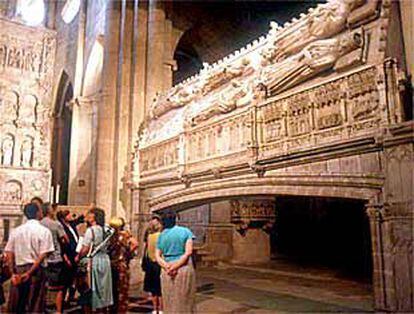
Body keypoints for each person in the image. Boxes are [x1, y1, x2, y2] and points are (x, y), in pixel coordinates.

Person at [4, 202, 54, 313]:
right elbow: (43, 254)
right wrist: (30, 272)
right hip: (36, 270)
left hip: (18, 268)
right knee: (35, 302)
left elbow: (9, 252)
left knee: (16, 303)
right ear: (37, 213)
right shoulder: (44, 231)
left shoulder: (16, 231)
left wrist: (12, 273)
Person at [155, 210, 196, 314]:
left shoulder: (161, 235)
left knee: (169, 300)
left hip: (166, 270)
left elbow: (157, 256)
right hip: (183, 268)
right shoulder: (185, 231)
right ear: (175, 219)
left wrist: (167, 267)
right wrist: (176, 266)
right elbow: (188, 252)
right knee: (184, 300)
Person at [76, 207, 113, 312]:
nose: (87, 216)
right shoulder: (105, 230)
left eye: (89, 214)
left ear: (94, 217)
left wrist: (78, 257)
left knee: (93, 289)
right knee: (104, 290)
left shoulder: (90, 231)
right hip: (105, 260)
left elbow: (85, 248)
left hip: (94, 261)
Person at [41, 203, 68, 314]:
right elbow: (65, 239)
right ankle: (58, 311)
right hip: (55, 257)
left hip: (42, 258)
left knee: (43, 286)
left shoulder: (39, 224)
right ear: (49, 211)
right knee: (59, 288)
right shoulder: (55, 224)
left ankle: (42, 308)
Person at [108, 217, 138, 314]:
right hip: (119, 264)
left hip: (116, 264)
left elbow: (135, 244)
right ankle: (119, 309)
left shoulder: (118, 235)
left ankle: (117, 309)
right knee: (120, 289)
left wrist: (128, 253)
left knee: (117, 289)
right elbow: (135, 244)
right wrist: (129, 253)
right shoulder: (117, 235)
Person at [57, 209, 84, 303]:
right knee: (67, 277)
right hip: (69, 253)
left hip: (75, 252)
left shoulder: (71, 225)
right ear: (64, 218)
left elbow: (78, 220)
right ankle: (64, 297)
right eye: (68, 215)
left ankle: (71, 296)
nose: (70, 217)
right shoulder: (62, 227)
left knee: (74, 276)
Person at [143, 216, 163, 314]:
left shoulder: (154, 236)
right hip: (155, 263)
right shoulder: (157, 235)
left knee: (156, 289)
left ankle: (157, 309)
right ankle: (158, 309)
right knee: (156, 288)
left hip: (155, 263)